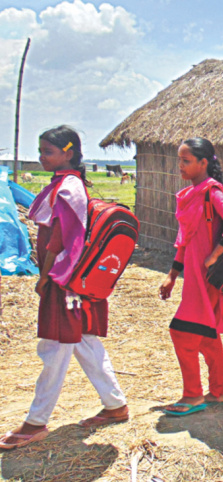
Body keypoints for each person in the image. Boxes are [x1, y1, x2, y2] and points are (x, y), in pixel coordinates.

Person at [1, 126, 128, 450]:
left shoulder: (68, 188)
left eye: (48, 151)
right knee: (84, 341)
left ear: (68, 153)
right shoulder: (65, 185)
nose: (42, 157)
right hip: (73, 281)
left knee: (55, 348)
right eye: (41, 151)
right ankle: (115, 406)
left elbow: (61, 239)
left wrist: (45, 276)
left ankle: (35, 422)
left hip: (64, 280)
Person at [158, 137, 223, 416]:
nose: (180, 166)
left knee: (181, 333)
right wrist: (172, 275)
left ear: (203, 163)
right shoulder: (191, 194)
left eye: (186, 160)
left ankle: (193, 395)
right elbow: (185, 241)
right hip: (193, 277)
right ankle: (218, 392)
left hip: (206, 278)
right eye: (179, 160)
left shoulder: (211, 191)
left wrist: (215, 255)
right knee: (207, 336)